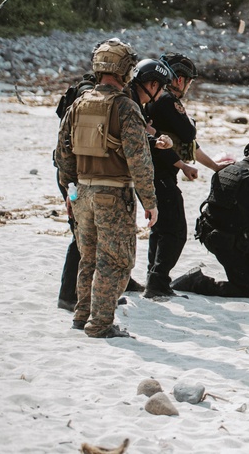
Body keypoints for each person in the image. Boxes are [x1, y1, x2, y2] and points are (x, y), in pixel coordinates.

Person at [55, 39, 160, 338]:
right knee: (116, 261)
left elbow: (63, 154)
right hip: (113, 195)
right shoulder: (125, 107)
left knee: (88, 257)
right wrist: (150, 200)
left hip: (83, 194)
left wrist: (70, 194)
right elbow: (140, 160)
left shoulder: (78, 104)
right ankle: (100, 323)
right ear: (126, 70)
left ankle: (82, 314)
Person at [141, 53, 229, 299]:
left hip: (156, 171)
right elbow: (189, 132)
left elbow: (188, 145)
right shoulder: (168, 101)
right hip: (160, 173)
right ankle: (157, 283)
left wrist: (213, 166)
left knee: (160, 229)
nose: (189, 87)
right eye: (189, 81)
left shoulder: (155, 99)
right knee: (176, 231)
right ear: (179, 80)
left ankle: (153, 278)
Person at [170, 136, 249, 298]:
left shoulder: (226, 169)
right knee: (245, 291)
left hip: (208, 234)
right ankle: (197, 281)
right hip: (230, 242)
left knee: (248, 262)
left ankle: (248, 279)